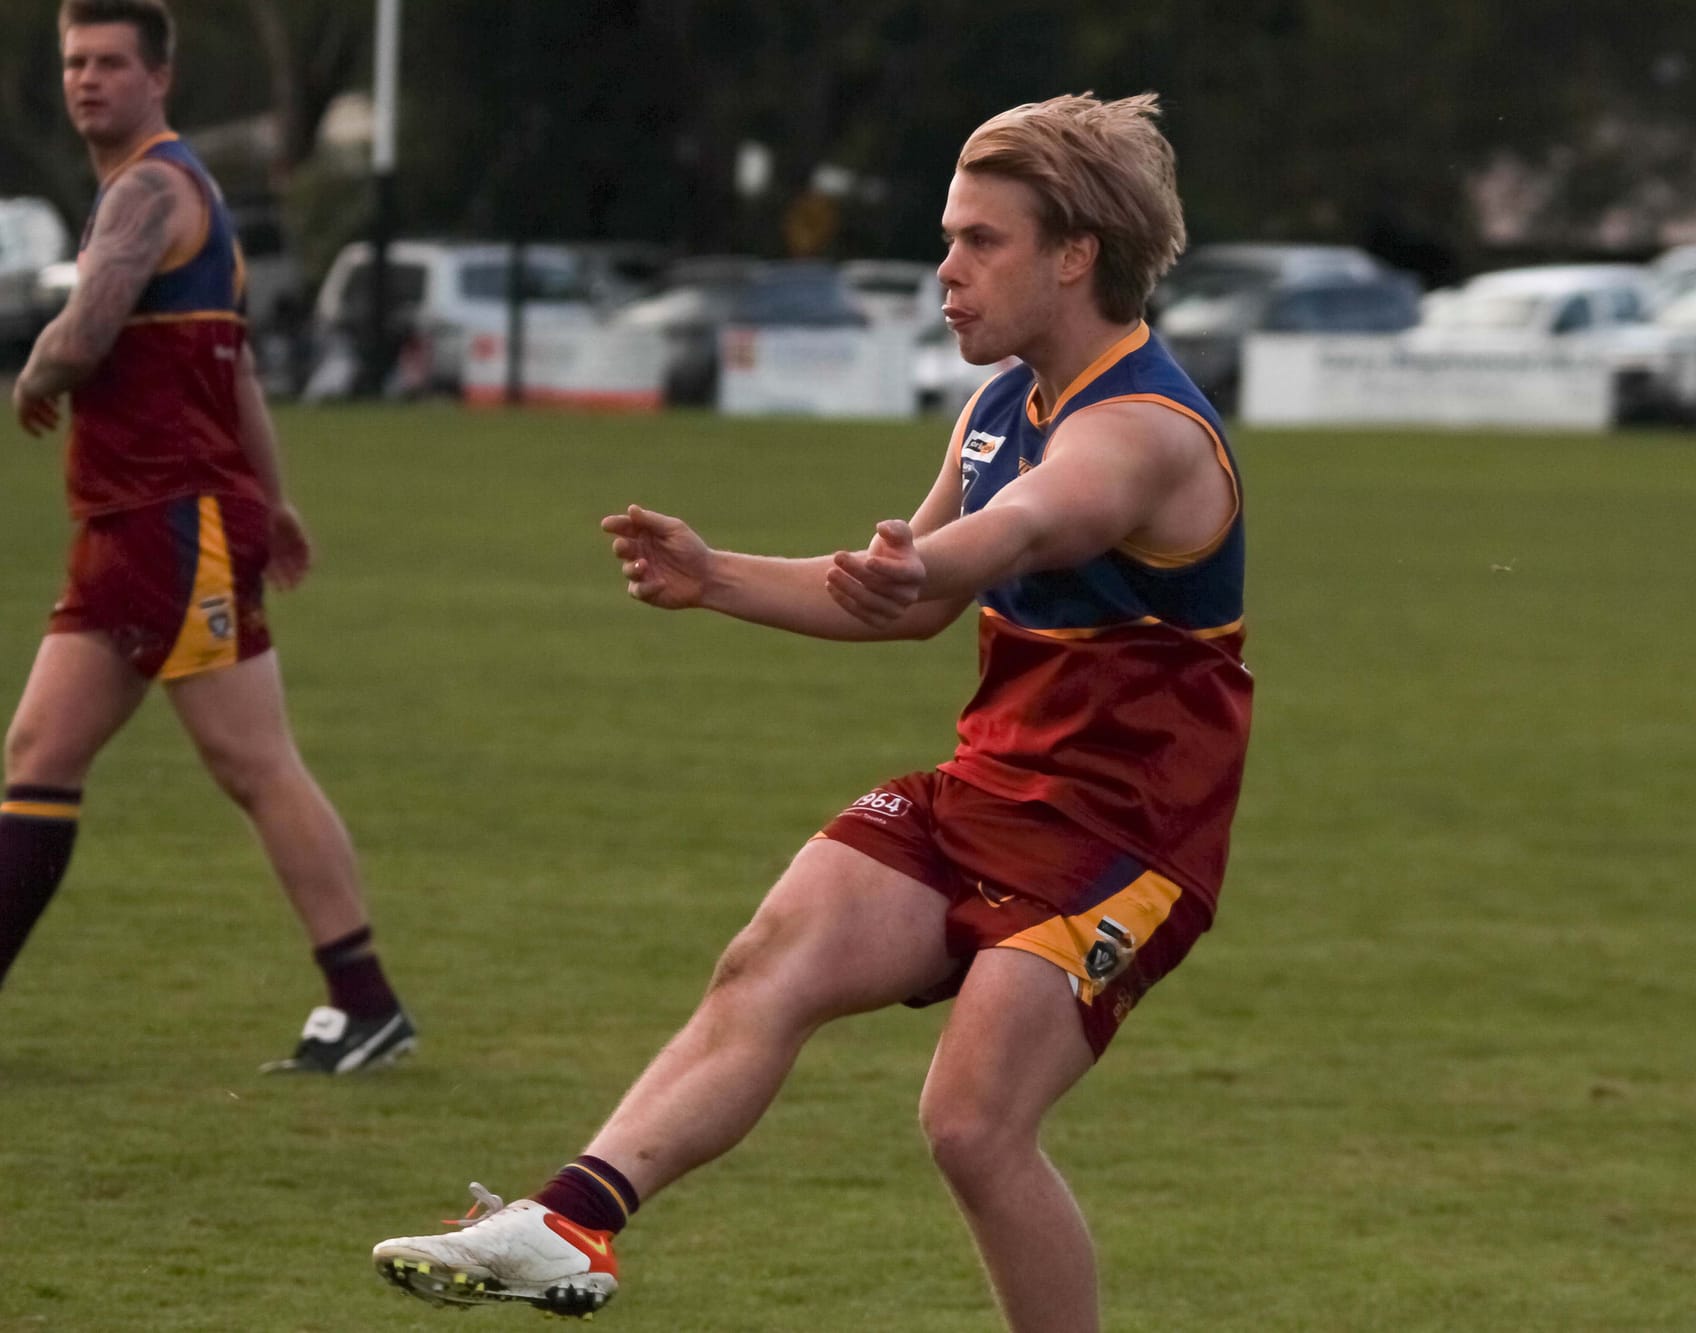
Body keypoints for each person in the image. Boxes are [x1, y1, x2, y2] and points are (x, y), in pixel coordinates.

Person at [372, 91, 1250, 1328]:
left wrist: (927, 562)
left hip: (1121, 843)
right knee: (765, 962)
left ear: (1074, 255)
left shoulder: (1145, 430)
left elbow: (1035, 524)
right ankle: (570, 1220)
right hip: (990, 788)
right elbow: (903, 601)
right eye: (946, 238)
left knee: (970, 1124)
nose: (943, 271)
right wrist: (714, 573)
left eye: (977, 241)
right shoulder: (999, 407)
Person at [3, 0, 415, 1074]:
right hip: (135, 525)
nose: (87, 81)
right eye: (73, 63)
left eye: (109, 63)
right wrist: (272, 499)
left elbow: (85, 331)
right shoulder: (172, 192)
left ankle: (366, 1001)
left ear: (160, 77)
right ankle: (365, 1002)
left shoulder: (149, 189)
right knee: (38, 756)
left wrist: (36, 372)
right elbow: (232, 374)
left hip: (169, 524)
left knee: (252, 760)